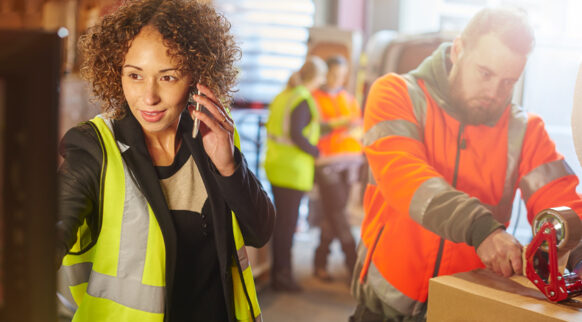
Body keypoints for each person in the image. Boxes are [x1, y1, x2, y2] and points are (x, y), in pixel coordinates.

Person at [350, 7, 582, 321]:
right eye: (485, 74)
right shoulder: (394, 94)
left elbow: (562, 200)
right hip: (385, 304)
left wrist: (568, 240)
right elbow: (407, 179)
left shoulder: (527, 131)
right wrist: (482, 229)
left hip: (462, 305)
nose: (494, 92)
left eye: (508, 82)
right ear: (458, 50)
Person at [56, 1, 275, 321]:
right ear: (116, 72)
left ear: (196, 76)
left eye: (168, 77)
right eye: (135, 75)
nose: (149, 97)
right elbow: (51, 229)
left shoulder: (212, 138)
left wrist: (229, 167)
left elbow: (259, 231)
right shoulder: (94, 148)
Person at [264, 55, 327, 292]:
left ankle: (278, 274)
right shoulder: (302, 99)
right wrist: (316, 151)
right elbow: (298, 136)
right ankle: (283, 277)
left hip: (277, 166)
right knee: (287, 227)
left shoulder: (284, 95)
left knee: (282, 224)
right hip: (292, 171)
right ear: (316, 77)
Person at [311, 55, 363, 282]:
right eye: (334, 74)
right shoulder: (313, 98)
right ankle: (353, 264)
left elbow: (359, 125)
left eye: (341, 75)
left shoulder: (349, 99)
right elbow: (315, 129)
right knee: (340, 214)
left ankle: (320, 261)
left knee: (332, 213)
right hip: (326, 164)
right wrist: (340, 124)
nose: (337, 79)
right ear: (325, 74)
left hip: (349, 164)